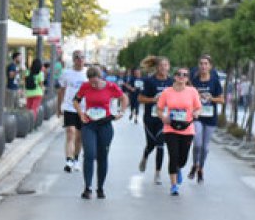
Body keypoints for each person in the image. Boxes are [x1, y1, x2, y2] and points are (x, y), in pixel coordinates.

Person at [73, 64, 125, 199]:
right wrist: (80, 114)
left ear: (100, 78)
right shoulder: (85, 86)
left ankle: (100, 188)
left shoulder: (110, 87)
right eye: (91, 82)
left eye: (95, 82)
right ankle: (87, 188)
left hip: (105, 124)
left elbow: (123, 97)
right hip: (89, 124)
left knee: (102, 156)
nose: (93, 85)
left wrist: (121, 112)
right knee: (89, 154)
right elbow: (76, 100)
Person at [156, 67, 202, 196]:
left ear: (187, 78)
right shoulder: (167, 92)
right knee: (173, 156)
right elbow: (159, 109)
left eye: (185, 75)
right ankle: (174, 185)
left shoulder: (192, 91)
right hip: (170, 128)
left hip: (187, 129)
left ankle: (178, 168)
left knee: (182, 159)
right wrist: (163, 117)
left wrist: (196, 113)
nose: (181, 76)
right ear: (174, 76)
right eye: (179, 74)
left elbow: (198, 107)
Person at [189, 54, 224, 182]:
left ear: (210, 66)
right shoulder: (194, 80)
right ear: (198, 65)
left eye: (206, 64)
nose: (203, 66)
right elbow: (188, 97)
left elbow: (222, 100)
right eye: (201, 63)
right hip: (197, 116)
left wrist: (211, 98)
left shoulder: (214, 81)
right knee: (197, 144)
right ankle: (195, 164)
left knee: (205, 147)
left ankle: (200, 168)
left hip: (210, 117)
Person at [136, 56, 171, 184]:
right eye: (161, 65)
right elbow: (140, 98)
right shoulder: (149, 81)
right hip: (150, 117)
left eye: (165, 65)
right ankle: (145, 156)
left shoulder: (172, 82)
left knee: (160, 144)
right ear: (157, 67)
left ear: (169, 67)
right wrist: (154, 100)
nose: (163, 68)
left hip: (164, 118)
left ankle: (157, 173)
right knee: (151, 144)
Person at [57, 50, 89, 171]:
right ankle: (69, 160)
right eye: (77, 57)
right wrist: (58, 107)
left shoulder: (88, 73)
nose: (79, 59)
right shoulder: (66, 73)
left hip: (83, 108)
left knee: (79, 137)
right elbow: (61, 91)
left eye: (82, 57)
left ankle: (76, 159)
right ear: (73, 59)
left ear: (84, 59)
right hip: (69, 107)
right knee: (70, 132)